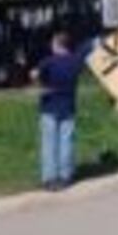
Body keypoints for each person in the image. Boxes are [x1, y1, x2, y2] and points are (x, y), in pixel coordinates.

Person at [31, 30, 94, 191]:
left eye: (52, 43)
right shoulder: (75, 62)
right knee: (67, 142)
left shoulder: (48, 62)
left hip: (49, 106)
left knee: (49, 144)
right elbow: (88, 48)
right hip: (68, 106)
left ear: (57, 45)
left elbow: (34, 74)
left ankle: (50, 178)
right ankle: (65, 176)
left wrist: (40, 84)